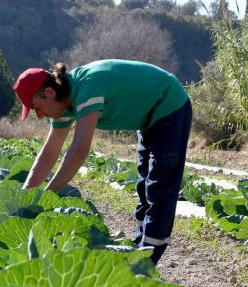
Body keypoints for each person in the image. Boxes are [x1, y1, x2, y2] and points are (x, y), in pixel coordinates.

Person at [13, 59, 192, 264]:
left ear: (49, 93)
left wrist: (47, 195)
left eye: (36, 107)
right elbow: (49, 153)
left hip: (169, 105)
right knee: (144, 188)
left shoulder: (87, 88)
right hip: (148, 118)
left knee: (160, 189)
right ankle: (138, 253)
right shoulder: (63, 104)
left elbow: (79, 151)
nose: (39, 115)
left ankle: (147, 262)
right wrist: (26, 197)